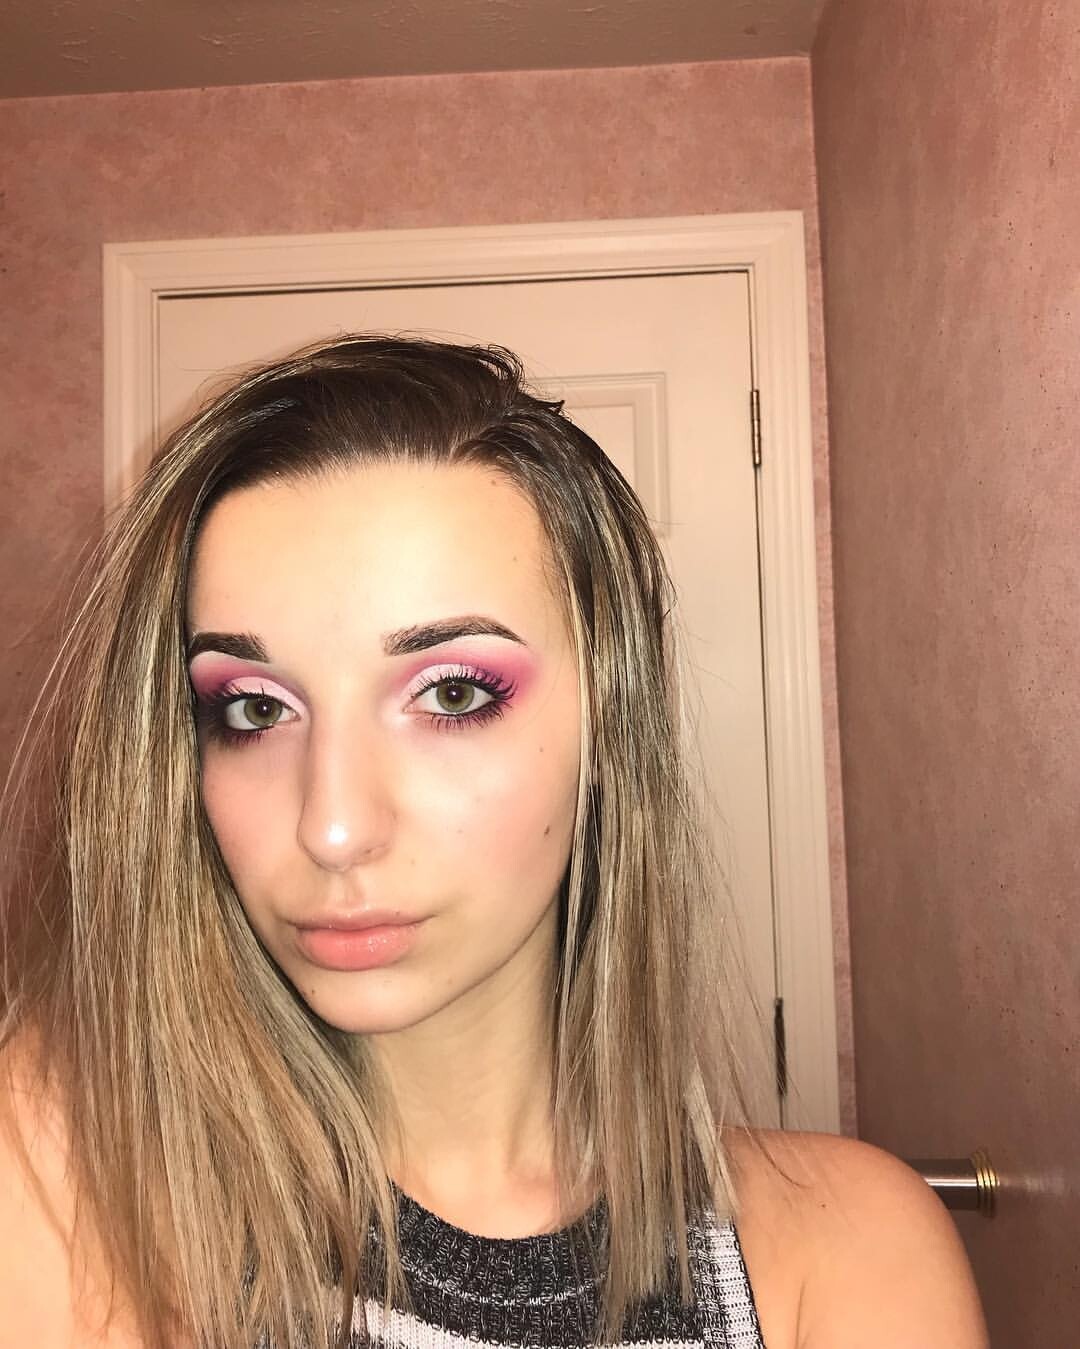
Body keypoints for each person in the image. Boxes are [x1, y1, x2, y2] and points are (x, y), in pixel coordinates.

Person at [0, 335, 987, 1348]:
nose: (333, 826)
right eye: (254, 708)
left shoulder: (844, 1248)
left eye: (453, 694)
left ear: (609, 725)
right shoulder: (73, 1180)